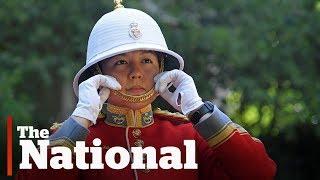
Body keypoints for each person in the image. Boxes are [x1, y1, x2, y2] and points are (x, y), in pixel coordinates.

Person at [17, 1, 276, 179]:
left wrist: (198, 109)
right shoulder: (75, 139)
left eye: (147, 60)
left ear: (162, 69)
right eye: (121, 62)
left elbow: (260, 173)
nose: (136, 72)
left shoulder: (190, 134)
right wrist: (83, 116)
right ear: (99, 75)